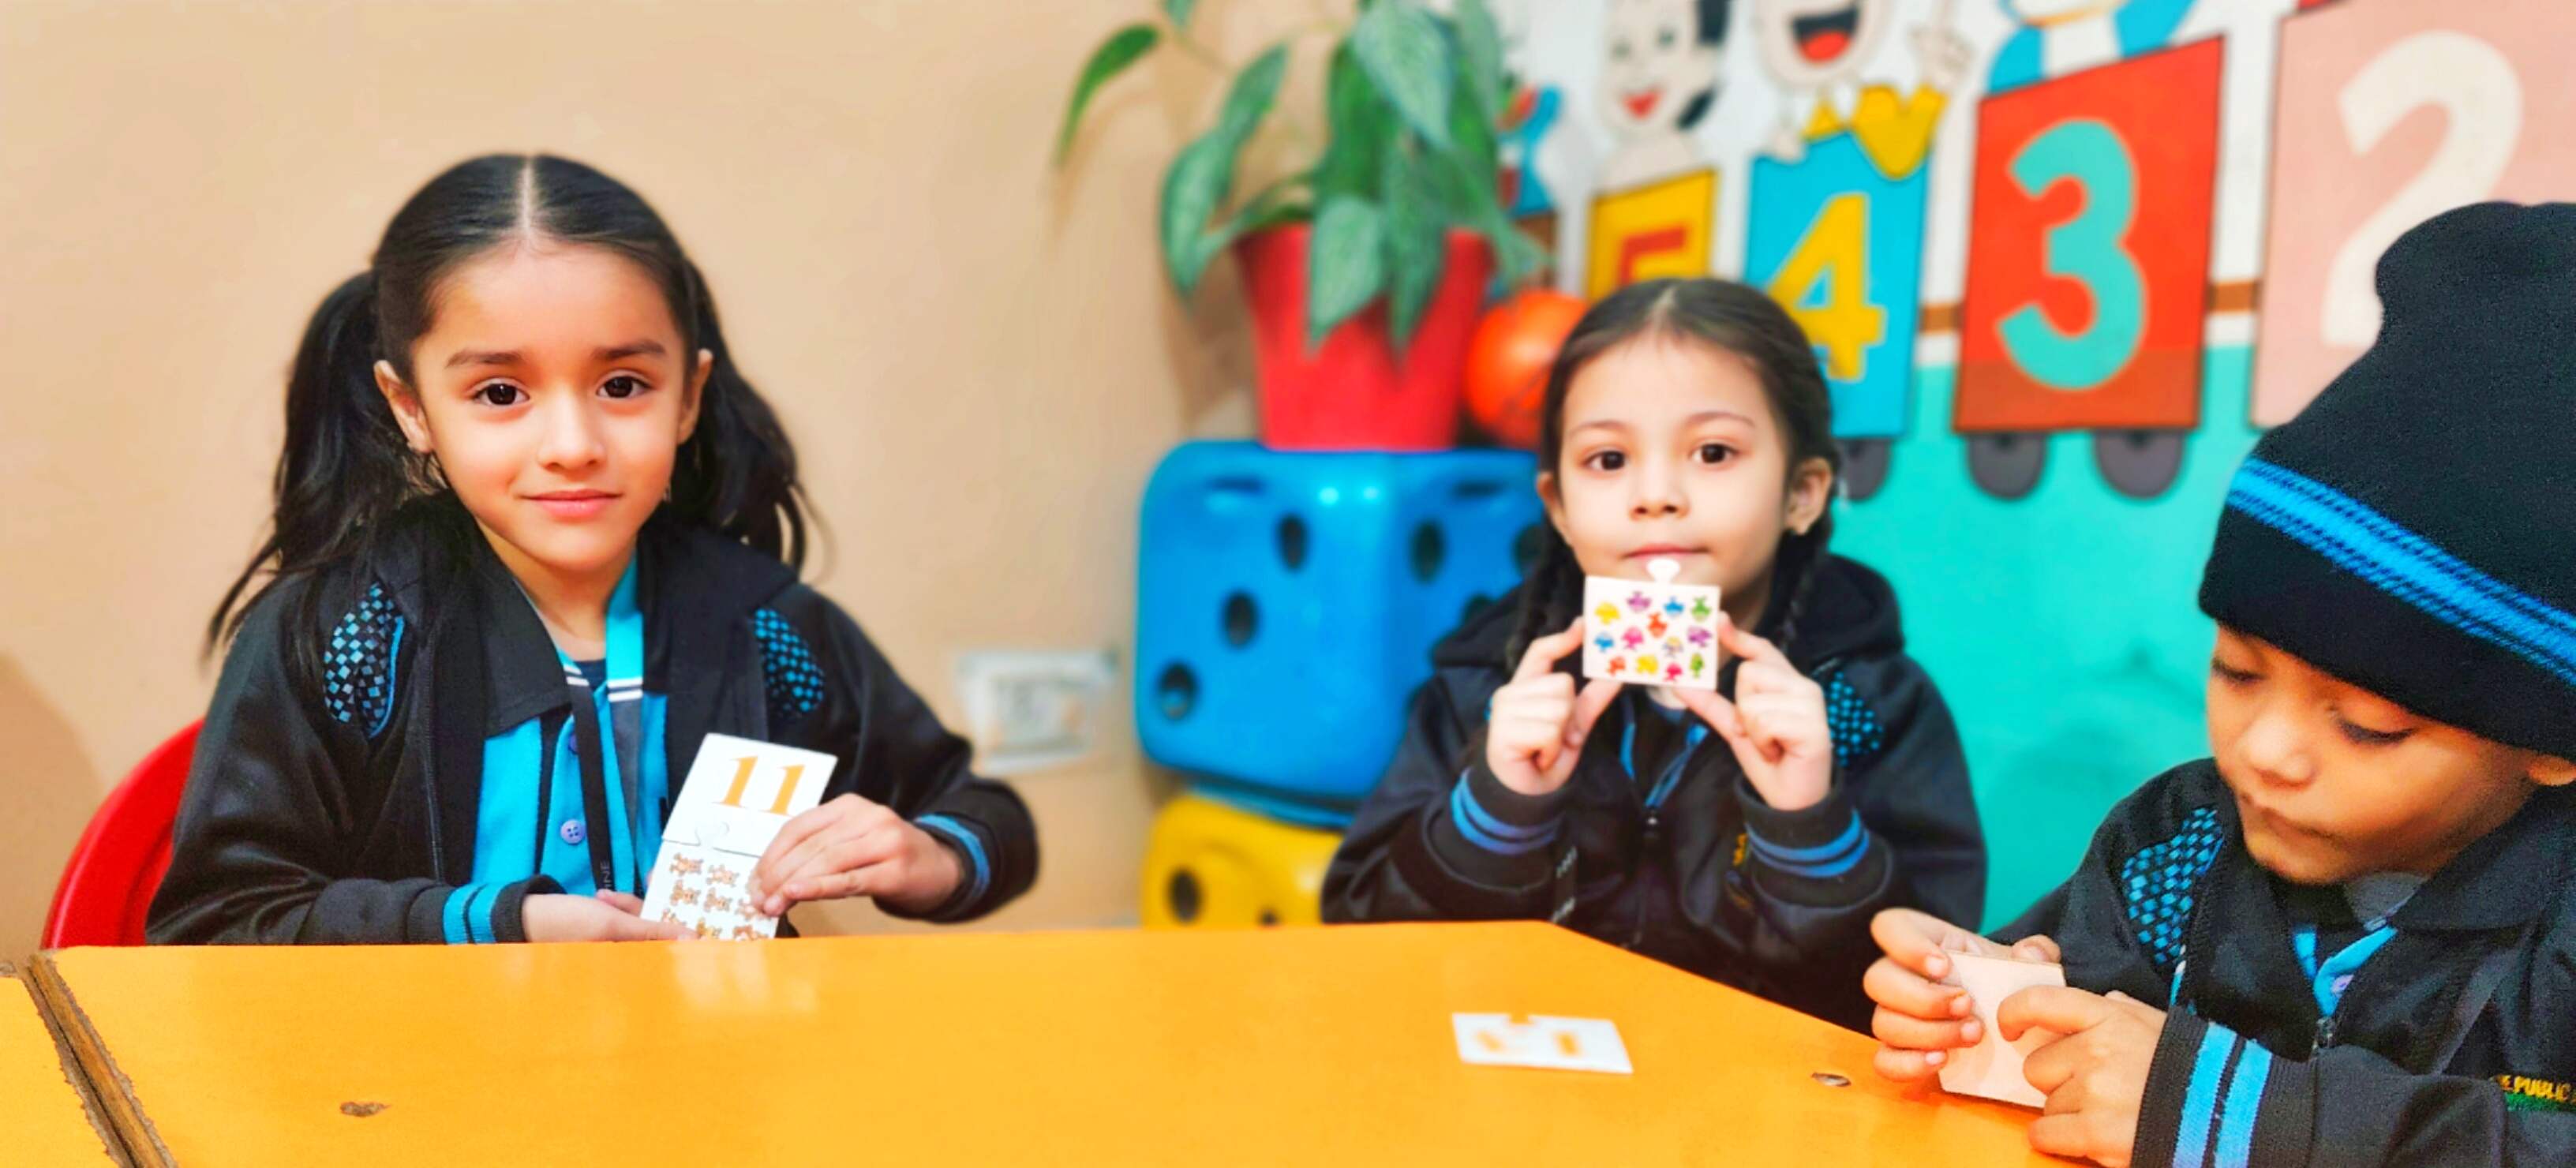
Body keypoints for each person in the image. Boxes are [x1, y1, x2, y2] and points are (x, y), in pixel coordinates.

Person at [151, 154, 1035, 945]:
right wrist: (500, 924)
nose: (572, 445)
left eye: (622, 384)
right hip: (412, 1076)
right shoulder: (346, 635)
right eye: (501, 393)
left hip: (716, 1074)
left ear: (688, 396)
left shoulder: (767, 626)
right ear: (411, 407)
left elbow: (986, 816)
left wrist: (931, 857)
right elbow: (216, 924)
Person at [1865, 202, 2576, 1167]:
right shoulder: (2176, 842)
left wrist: (2269, 1121)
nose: (2263, 752)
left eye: (2368, 725)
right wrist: (1982, 1008)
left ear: (2552, 745)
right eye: (2239, 671)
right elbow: (2080, 1023)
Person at [1327, 278, 1984, 1030]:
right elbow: (1363, 937)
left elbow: (1926, 998)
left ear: (1803, 492)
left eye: (1713, 451)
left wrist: (1809, 826)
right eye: (1608, 459)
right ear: (1558, 507)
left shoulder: (1868, 707)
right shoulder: (1485, 688)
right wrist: (1497, 808)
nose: (1656, 494)